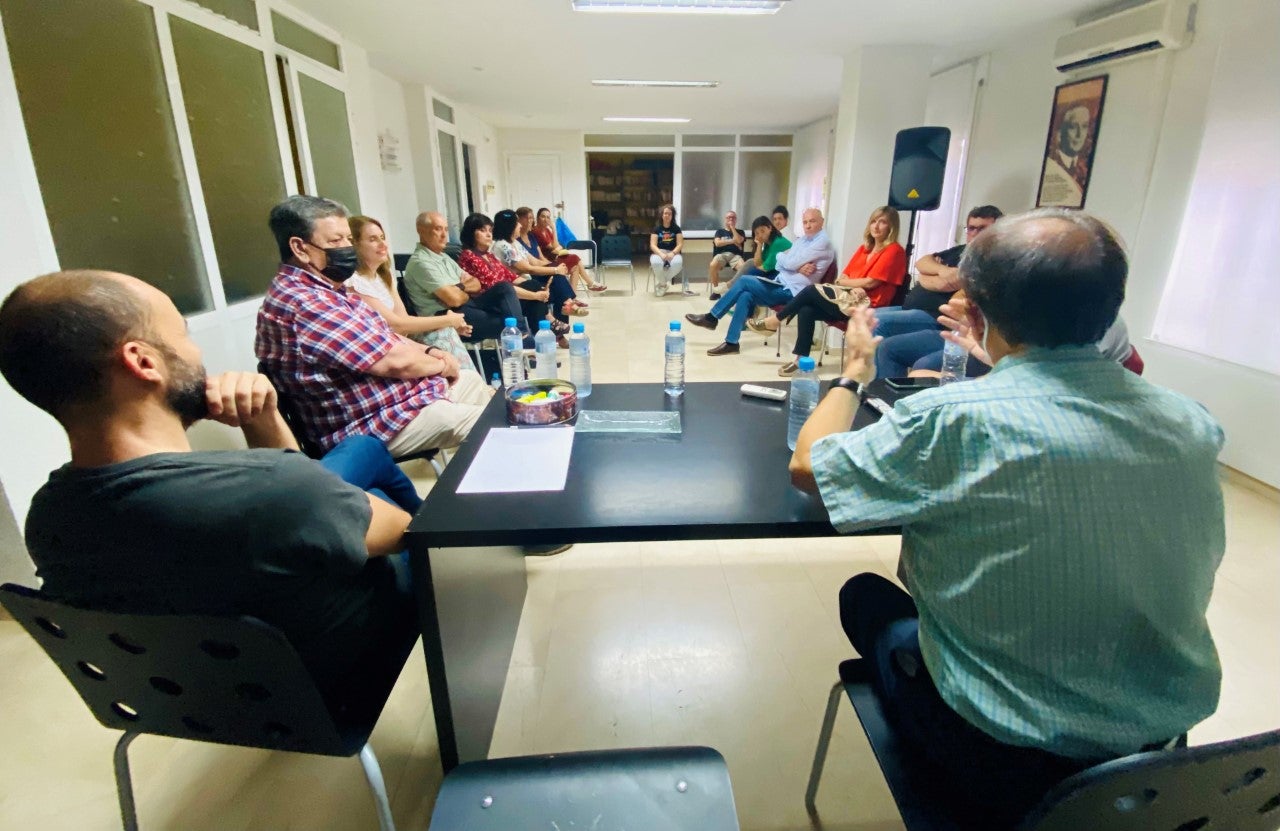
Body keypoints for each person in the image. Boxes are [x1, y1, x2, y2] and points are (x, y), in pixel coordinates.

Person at [789, 209, 1226, 826]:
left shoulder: (955, 420)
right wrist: (1001, 362)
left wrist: (855, 372)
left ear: (974, 310)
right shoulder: (1192, 423)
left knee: (863, 596)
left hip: (1007, 762)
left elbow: (810, 466)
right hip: (1161, 760)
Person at [0, 269, 422, 711]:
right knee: (403, 514)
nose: (196, 351)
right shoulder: (276, 491)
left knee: (358, 464)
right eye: (182, 334)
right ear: (144, 362)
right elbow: (403, 531)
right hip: (345, 690)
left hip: (197, 706)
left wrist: (263, 419)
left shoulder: (48, 519)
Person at [256, 195, 492, 458]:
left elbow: (390, 335)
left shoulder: (330, 290)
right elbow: (395, 363)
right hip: (371, 425)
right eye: (336, 241)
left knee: (474, 384)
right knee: (493, 423)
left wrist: (431, 352)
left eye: (348, 239)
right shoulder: (304, 303)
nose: (347, 248)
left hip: (401, 402)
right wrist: (442, 364)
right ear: (300, 248)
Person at [749, 206, 907, 376]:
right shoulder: (864, 249)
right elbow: (841, 278)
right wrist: (854, 286)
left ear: (891, 227)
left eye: (882, 222)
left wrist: (854, 285)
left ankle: (775, 320)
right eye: (874, 221)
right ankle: (800, 360)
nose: (876, 226)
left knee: (811, 290)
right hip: (847, 300)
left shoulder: (894, 250)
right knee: (806, 309)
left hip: (868, 307)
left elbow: (871, 282)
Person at [871, 205, 1002, 379]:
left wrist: (934, 277)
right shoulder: (961, 251)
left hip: (940, 319)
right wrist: (942, 271)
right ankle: (874, 388)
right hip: (920, 310)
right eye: (971, 228)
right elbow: (922, 264)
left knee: (880, 323)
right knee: (871, 320)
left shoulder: (995, 261)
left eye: (982, 229)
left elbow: (952, 289)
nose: (975, 234)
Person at [685, 208, 833, 356]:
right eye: (805, 222)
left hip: (793, 292)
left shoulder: (821, 242)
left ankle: (712, 317)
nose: (808, 225)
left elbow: (787, 262)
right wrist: (795, 265)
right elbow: (780, 263)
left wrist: (790, 262)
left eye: (812, 221)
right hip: (780, 283)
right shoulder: (802, 240)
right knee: (745, 295)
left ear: (822, 222)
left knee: (744, 280)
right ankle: (732, 343)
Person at [347, 215, 475, 369]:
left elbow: (403, 320)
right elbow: (397, 325)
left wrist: (447, 322)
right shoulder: (354, 282)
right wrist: (447, 320)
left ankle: (466, 379)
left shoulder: (384, 277)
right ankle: (464, 378)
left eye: (382, 237)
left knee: (445, 332)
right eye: (373, 239)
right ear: (354, 245)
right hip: (377, 351)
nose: (383, 244)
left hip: (398, 341)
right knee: (444, 332)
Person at [402, 210, 525, 343]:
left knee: (504, 288)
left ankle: (521, 334)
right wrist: (463, 289)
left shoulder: (444, 257)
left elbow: (476, 284)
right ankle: (522, 337)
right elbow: (453, 300)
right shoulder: (421, 262)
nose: (444, 235)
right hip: (446, 315)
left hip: (467, 305)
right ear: (421, 231)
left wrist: (458, 287)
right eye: (438, 229)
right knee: (504, 324)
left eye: (446, 229)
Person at [457, 212, 566, 349]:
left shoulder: (489, 256)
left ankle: (538, 341)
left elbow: (511, 276)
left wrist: (539, 290)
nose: (488, 234)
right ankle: (523, 334)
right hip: (485, 301)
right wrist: (535, 295)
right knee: (510, 288)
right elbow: (498, 287)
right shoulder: (469, 257)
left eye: (490, 230)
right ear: (471, 233)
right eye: (483, 230)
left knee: (533, 285)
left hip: (503, 297)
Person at [491, 208, 584, 326]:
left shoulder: (514, 243)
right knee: (558, 283)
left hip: (529, 281)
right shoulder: (503, 246)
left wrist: (556, 267)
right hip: (521, 285)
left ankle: (564, 313)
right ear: (510, 227)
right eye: (517, 223)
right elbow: (528, 268)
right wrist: (555, 269)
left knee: (559, 282)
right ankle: (565, 311)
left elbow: (535, 261)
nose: (520, 225)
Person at [532, 207, 604, 292]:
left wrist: (554, 232)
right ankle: (590, 284)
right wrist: (554, 230)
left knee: (576, 266)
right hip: (547, 261)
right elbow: (554, 247)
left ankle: (573, 296)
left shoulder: (547, 230)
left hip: (555, 256)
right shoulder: (536, 231)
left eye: (548, 217)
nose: (546, 219)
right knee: (575, 259)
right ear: (538, 218)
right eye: (543, 216)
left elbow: (557, 246)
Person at [708, 210, 747, 299]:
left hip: (735, 255)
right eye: (728, 217)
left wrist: (732, 228)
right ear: (725, 219)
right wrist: (733, 241)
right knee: (712, 265)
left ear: (736, 220)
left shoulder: (740, 232)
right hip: (721, 255)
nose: (731, 219)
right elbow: (717, 243)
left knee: (743, 268)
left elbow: (739, 240)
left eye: (733, 217)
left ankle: (737, 290)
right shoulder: (720, 232)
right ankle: (716, 291)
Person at [649, 203, 686, 296]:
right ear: (662, 215)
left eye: (669, 214)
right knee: (656, 263)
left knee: (678, 264)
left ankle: (662, 284)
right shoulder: (656, 229)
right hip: (659, 252)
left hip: (673, 253)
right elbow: (653, 245)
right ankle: (663, 284)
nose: (667, 215)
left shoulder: (677, 229)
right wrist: (660, 254)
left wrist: (673, 253)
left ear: (672, 216)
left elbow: (680, 244)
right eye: (665, 213)